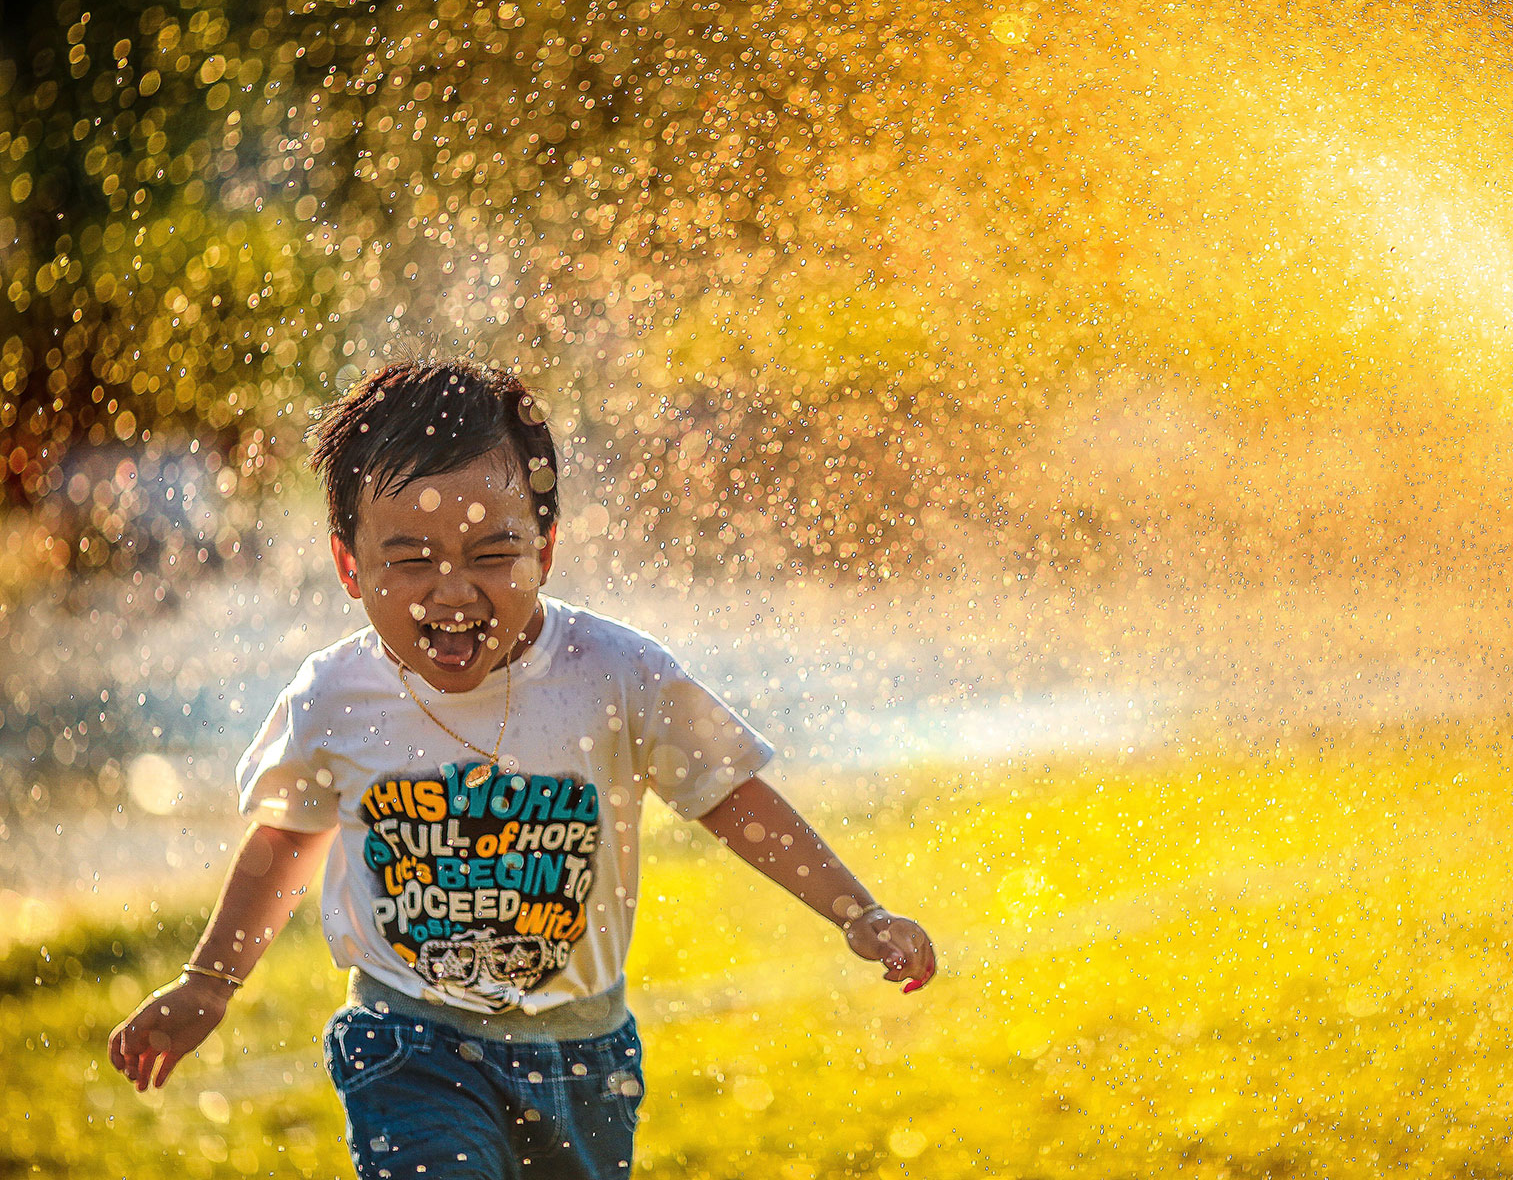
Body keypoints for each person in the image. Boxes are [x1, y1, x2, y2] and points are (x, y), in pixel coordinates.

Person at [107, 356, 937, 1179]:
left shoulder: (615, 674)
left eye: (492, 553)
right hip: (409, 1041)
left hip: (582, 1055)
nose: (454, 591)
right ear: (349, 566)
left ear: (545, 548)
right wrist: (210, 980)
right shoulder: (336, 696)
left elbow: (731, 797)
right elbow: (287, 841)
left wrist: (855, 911)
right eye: (411, 560)